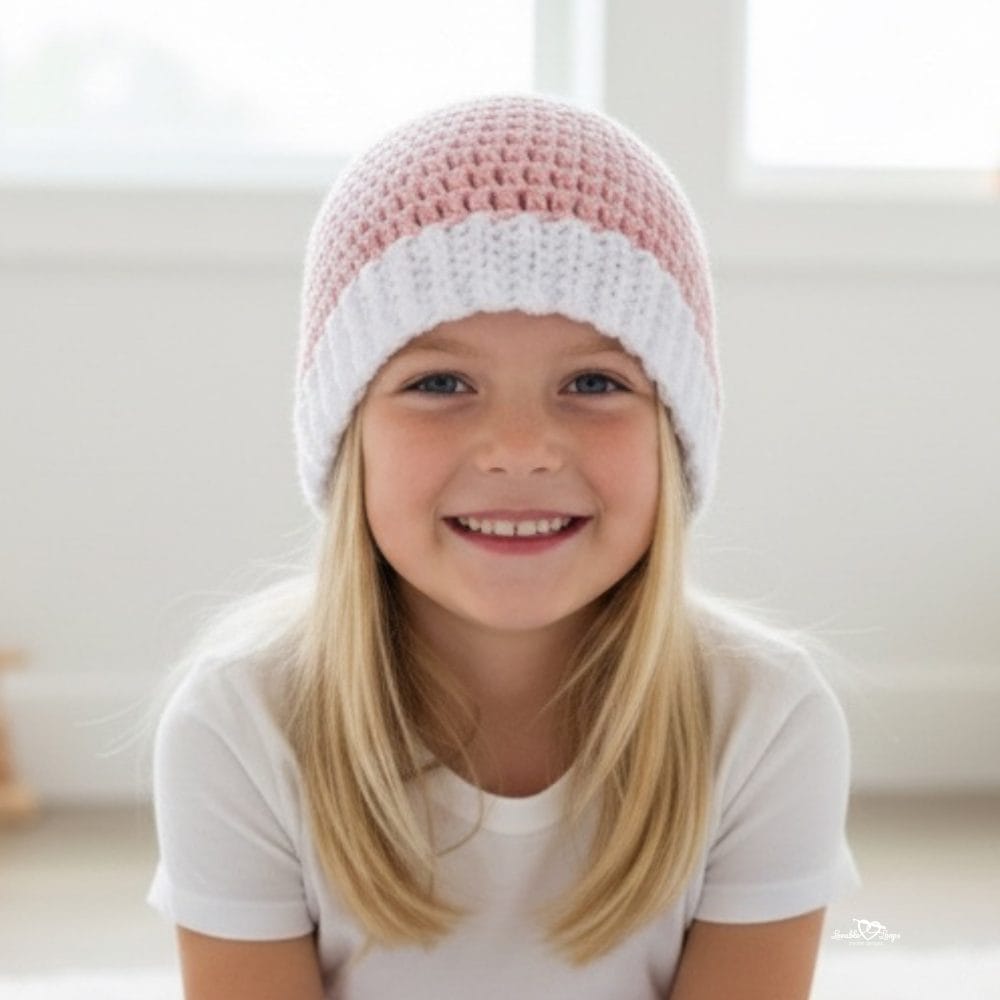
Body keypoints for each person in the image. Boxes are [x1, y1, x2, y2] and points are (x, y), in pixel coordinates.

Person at [143, 92, 864, 999]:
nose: (520, 449)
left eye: (594, 381)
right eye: (441, 381)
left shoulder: (767, 720)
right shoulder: (240, 724)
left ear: (673, 439)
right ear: (347, 435)